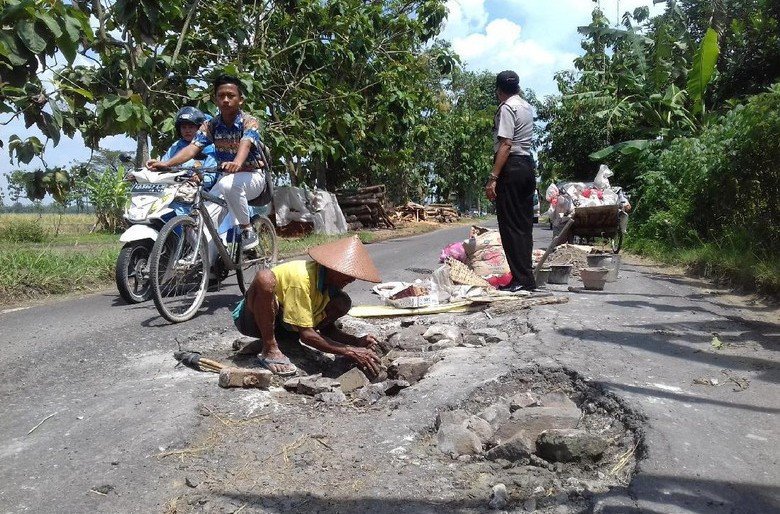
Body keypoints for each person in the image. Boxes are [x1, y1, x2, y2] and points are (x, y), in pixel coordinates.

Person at [231, 236, 383, 376]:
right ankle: (269, 347)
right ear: (332, 268)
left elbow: (327, 330)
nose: (351, 280)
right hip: (251, 320)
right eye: (347, 274)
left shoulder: (328, 287)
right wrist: (349, 351)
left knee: (342, 302)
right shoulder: (301, 279)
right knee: (264, 278)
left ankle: (285, 341)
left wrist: (356, 342)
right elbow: (307, 336)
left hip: (284, 325)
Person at [147, 75, 267, 250]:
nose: (225, 100)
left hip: (252, 177)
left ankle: (247, 229)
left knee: (227, 184)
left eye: (231, 95)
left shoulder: (249, 122)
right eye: (221, 96)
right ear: (215, 99)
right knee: (202, 224)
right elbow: (192, 148)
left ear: (240, 100)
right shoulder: (210, 125)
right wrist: (167, 164)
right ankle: (208, 268)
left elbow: (246, 143)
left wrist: (237, 162)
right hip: (226, 179)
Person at [485, 70, 537, 292]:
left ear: (499, 91)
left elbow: (506, 144)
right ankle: (526, 277)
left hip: (512, 167)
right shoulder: (526, 107)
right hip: (527, 166)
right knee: (524, 225)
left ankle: (520, 279)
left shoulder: (507, 108)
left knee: (510, 226)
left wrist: (493, 177)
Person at [163, 106, 218, 191]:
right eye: (184, 127)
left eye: (191, 127)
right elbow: (163, 165)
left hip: (200, 196)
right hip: (172, 191)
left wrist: (200, 178)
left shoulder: (210, 148)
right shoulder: (175, 146)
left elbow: (210, 179)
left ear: (199, 129)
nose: (187, 130)